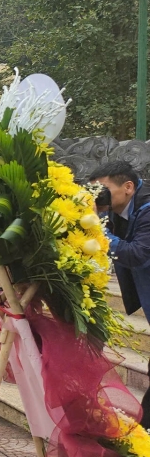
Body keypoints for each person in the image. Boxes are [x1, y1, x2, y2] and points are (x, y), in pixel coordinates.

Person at [93, 160, 150, 425]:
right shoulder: (116, 210)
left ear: (128, 187)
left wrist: (97, 227)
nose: (99, 198)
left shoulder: (148, 210)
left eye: (104, 191)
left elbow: (138, 254)